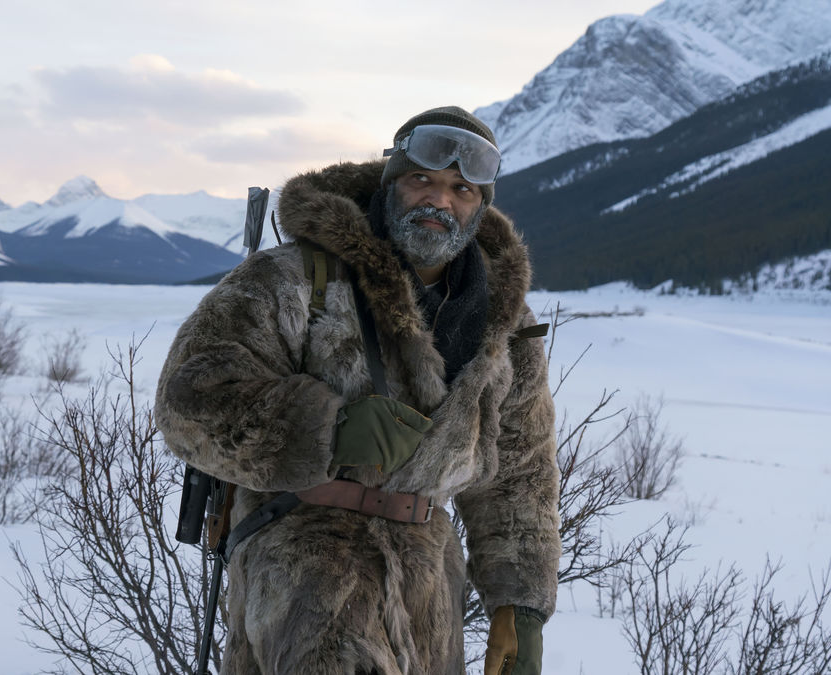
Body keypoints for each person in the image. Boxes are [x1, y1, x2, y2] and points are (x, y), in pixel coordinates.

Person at [156, 106, 560, 675]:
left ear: (481, 204)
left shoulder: (505, 326)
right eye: (422, 180)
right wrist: (326, 431)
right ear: (392, 181)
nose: (439, 201)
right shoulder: (296, 277)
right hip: (302, 577)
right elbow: (189, 397)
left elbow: (521, 477)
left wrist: (518, 609)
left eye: (461, 189)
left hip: (428, 601)